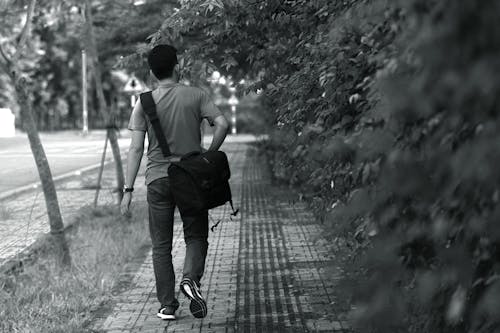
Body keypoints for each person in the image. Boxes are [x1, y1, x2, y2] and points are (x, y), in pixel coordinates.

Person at [120, 44, 229, 321]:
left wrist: (128, 190)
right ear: (177, 67)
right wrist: (210, 153)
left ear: (151, 73)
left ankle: (168, 305)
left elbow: (134, 150)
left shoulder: (143, 103)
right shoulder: (196, 95)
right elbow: (223, 123)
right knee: (195, 236)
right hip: (191, 179)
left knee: (161, 246)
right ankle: (190, 278)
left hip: (158, 180)